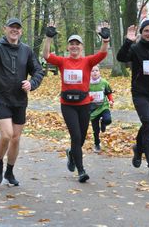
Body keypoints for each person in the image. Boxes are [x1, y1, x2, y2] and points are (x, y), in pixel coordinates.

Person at [0, 18, 44, 186]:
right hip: (1, 98)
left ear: (21, 31)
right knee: (7, 135)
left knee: (16, 138)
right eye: (11, 27)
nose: (14, 30)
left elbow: (38, 70)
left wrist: (32, 83)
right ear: (5, 29)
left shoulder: (26, 50)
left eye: (17, 28)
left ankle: (10, 171)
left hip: (19, 99)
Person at [43, 23, 110, 183]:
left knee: (81, 138)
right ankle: (81, 170)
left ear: (81, 47)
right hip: (67, 105)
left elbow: (102, 54)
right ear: (68, 47)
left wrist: (105, 39)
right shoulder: (62, 61)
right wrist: (48, 37)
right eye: (71, 44)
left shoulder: (87, 61)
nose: (74, 46)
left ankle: (72, 153)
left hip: (84, 104)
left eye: (77, 44)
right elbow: (46, 55)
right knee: (75, 136)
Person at [116, 19, 149, 177]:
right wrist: (128, 41)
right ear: (142, 33)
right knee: (148, 124)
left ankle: (138, 148)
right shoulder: (135, 48)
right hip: (141, 94)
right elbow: (121, 57)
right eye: (146, 31)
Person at [89, 65, 114, 153]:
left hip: (103, 106)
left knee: (108, 120)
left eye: (96, 70)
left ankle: (103, 123)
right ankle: (97, 144)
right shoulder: (87, 84)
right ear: (89, 73)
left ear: (99, 72)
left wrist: (111, 101)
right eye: (92, 71)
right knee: (96, 130)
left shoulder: (104, 82)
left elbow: (109, 93)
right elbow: (84, 96)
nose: (95, 72)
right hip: (92, 109)